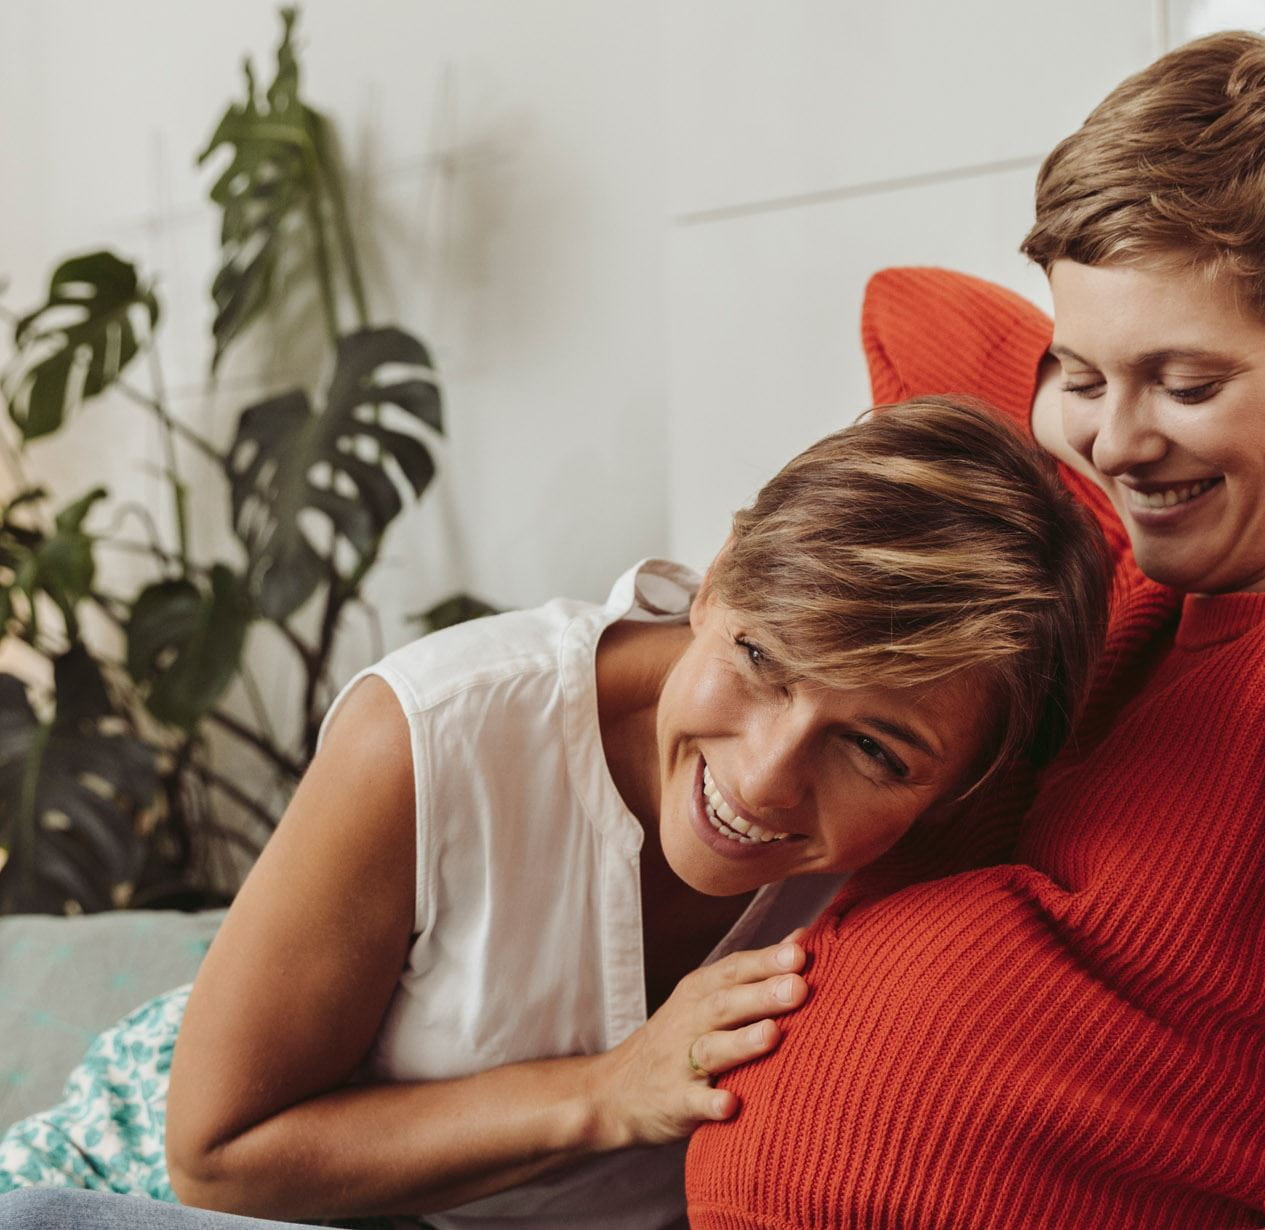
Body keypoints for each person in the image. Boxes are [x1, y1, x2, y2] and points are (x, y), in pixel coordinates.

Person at [682, 31, 1265, 1228]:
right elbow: (910, 309)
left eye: (1184, 383)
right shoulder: (1109, 584)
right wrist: (1233, 456)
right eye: (1077, 374)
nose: (1113, 442)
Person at [0, 398, 1108, 1229]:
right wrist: (605, 1094)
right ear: (717, 579)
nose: (768, 777)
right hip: (147, 1184)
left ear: (966, 783)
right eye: (761, 659)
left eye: (873, 748)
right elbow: (215, 1155)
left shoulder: (952, 835)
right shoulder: (432, 732)